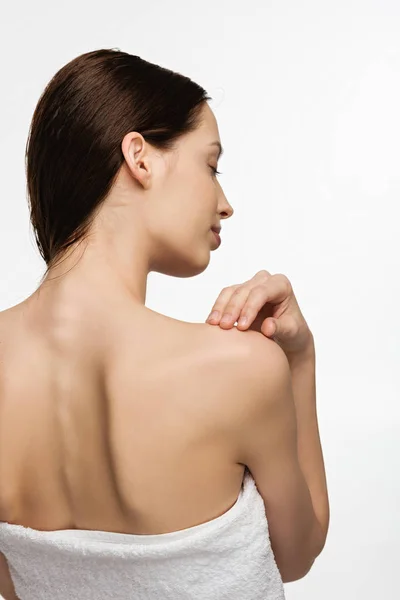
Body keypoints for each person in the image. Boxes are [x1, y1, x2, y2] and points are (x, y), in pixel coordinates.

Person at [0, 48, 329, 600]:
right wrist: (300, 360)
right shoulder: (238, 367)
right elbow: (295, 554)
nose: (224, 204)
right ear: (140, 157)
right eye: (211, 165)